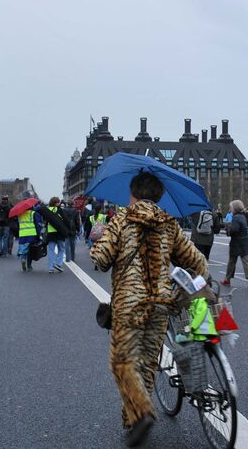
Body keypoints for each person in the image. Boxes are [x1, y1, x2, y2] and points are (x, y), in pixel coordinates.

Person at [90, 172, 210, 446]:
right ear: (159, 196)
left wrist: (98, 237)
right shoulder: (169, 224)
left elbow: (101, 259)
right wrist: (194, 286)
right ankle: (132, 418)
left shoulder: (122, 219)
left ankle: (142, 413)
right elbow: (196, 262)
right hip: (160, 303)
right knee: (145, 363)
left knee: (122, 362)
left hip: (129, 303)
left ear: (132, 193)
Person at [222, 200, 248, 288]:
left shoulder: (236, 218)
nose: (230, 209)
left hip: (237, 243)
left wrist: (228, 229)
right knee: (246, 261)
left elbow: (234, 230)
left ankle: (227, 279)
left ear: (235, 208)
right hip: (245, 242)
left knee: (232, 261)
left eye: (231, 207)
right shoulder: (243, 216)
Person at [45, 197, 67, 274]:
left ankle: (51, 267)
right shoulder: (60, 210)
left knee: (51, 250)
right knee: (61, 249)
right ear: (56, 203)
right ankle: (58, 264)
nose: (59, 203)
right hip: (60, 233)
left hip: (51, 233)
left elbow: (45, 221)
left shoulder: (47, 210)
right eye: (58, 202)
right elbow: (65, 220)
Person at [18, 204, 43, 271]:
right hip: (31, 234)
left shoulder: (20, 214)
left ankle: (23, 259)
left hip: (22, 234)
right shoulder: (33, 213)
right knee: (30, 250)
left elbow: (18, 224)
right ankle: (29, 266)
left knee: (23, 249)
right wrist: (38, 234)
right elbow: (37, 225)